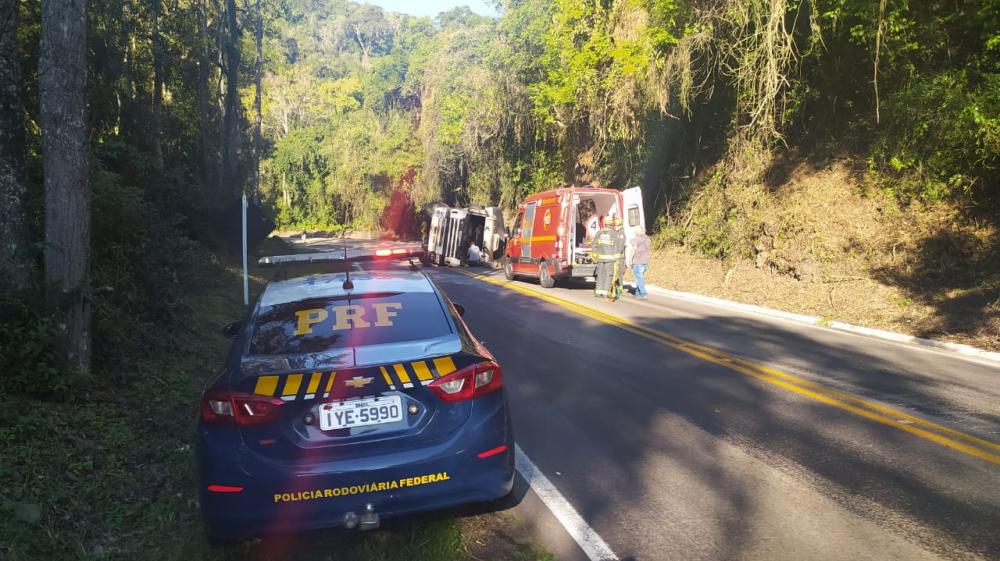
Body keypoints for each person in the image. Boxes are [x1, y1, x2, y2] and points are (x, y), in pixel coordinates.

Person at [593, 217, 617, 299]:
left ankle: (598, 292)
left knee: (600, 275)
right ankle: (605, 293)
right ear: (611, 224)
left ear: (605, 224)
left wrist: (595, 255)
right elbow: (616, 247)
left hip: (600, 259)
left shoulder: (599, 233)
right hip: (610, 259)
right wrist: (616, 259)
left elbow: (594, 245)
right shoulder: (614, 234)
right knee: (608, 275)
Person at [628, 226, 651, 299]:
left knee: (639, 278)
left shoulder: (636, 238)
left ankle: (643, 293)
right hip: (645, 261)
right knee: (640, 277)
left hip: (637, 261)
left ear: (637, 231)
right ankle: (637, 293)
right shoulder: (647, 238)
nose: (634, 232)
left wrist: (630, 259)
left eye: (635, 231)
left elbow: (634, 249)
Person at [610, 216, 627, 301]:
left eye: (616, 225)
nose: (615, 227)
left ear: (620, 226)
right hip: (615, 256)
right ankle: (616, 288)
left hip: (619, 257)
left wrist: (615, 254)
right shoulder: (616, 233)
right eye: (615, 225)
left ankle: (619, 289)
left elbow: (620, 246)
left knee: (619, 273)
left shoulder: (621, 234)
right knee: (615, 273)